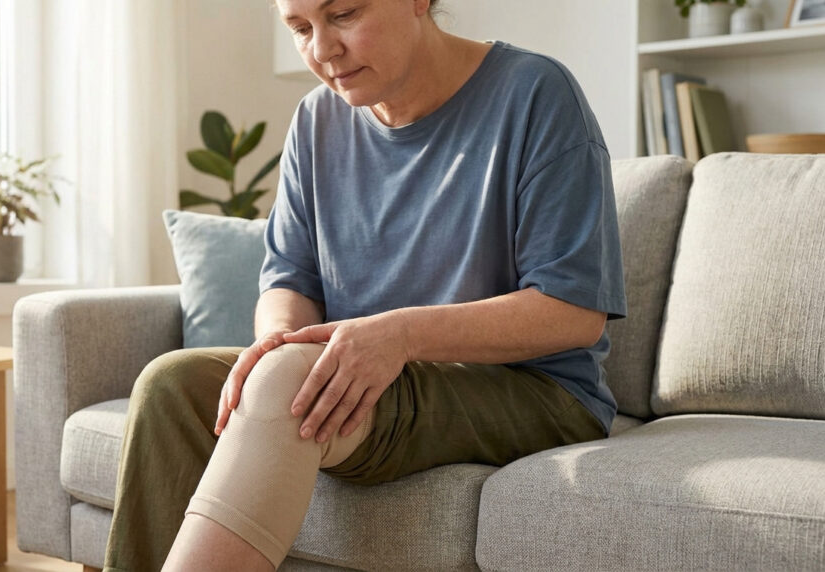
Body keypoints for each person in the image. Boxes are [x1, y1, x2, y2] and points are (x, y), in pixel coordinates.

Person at [104, 0, 626, 570]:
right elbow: (288, 278)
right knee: (170, 385)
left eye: (344, 14)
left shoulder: (535, 93)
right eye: (301, 29)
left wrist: (397, 337)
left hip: (533, 390)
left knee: (283, 382)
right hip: (375, 376)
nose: (322, 50)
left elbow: (573, 312)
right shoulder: (315, 120)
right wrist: (281, 341)